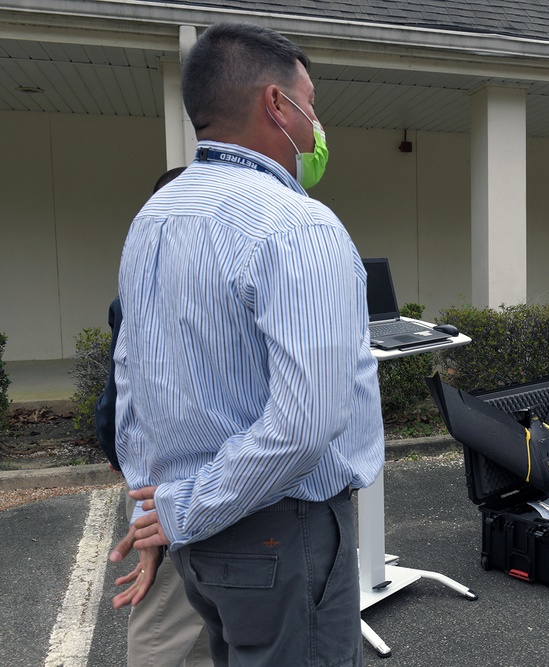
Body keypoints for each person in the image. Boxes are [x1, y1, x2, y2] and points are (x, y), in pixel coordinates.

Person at [111, 22, 383, 666]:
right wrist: (183, 511)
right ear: (276, 104)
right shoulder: (298, 224)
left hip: (198, 542)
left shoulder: (154, 217)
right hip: (279, 530)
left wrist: (157, 506)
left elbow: (133, 380)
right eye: (310, 104)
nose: (315, 123)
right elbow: (305, 424)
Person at [96, 166, 212, 667]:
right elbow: (130, 396)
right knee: (162, 619)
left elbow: (115, 399)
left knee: (203, 618)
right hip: (167, 488)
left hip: (183, 487)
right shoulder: (169, 298)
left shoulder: (146, 291)